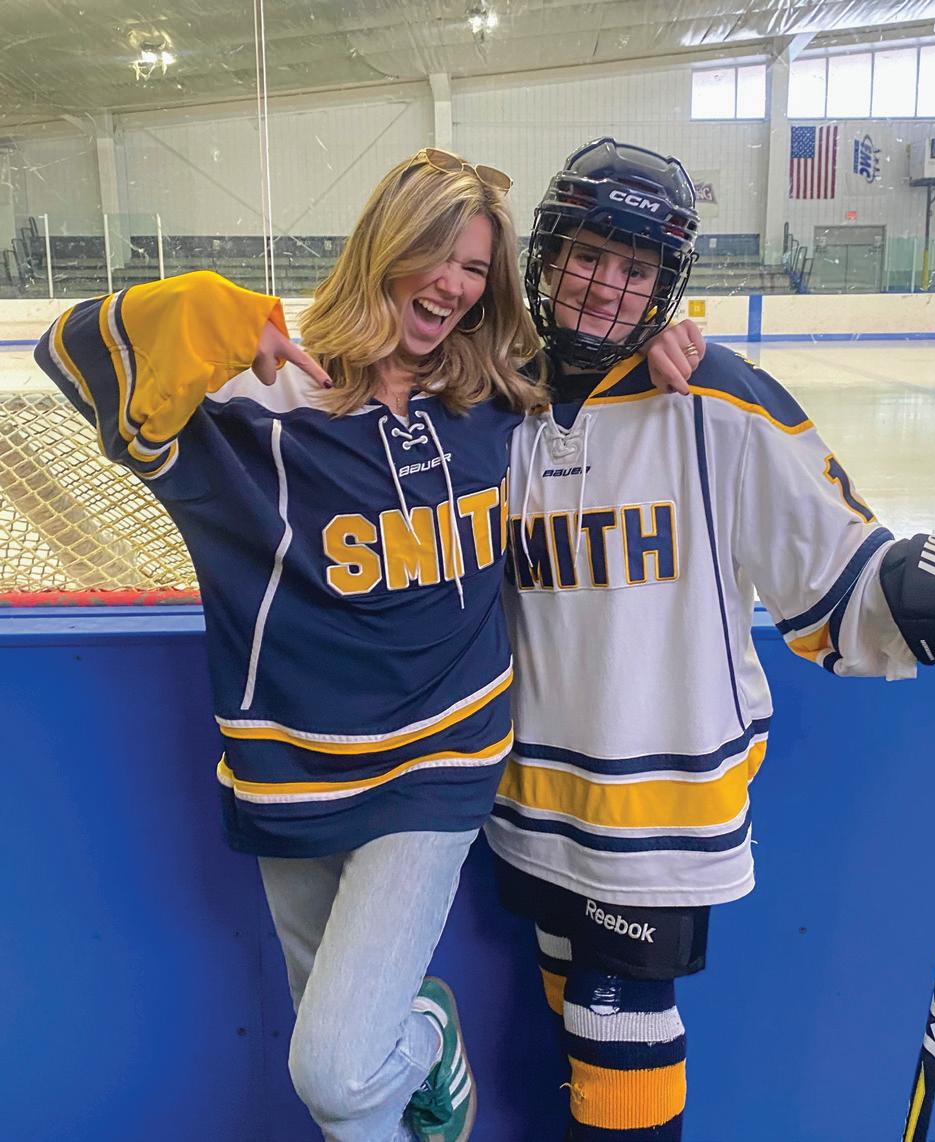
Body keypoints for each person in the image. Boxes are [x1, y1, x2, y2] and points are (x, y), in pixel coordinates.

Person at [33, 145, 698, 1142]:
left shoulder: (494, 395)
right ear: (383, 246)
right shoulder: (256, 403)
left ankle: (428, 1029)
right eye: (437, 253)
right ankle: (414, 1052)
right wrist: (212, 314)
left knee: (339, 1068)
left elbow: (604, 357)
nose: (453, 283)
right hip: (289, 773)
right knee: (347, 1095)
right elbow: (74, 354)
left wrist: (667, 344)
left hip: (443, 762)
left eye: (474, 268)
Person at [483, 138, 935, 1142]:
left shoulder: (716, 399)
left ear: (664, 284)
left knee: (614, 1026)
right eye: (590, 254)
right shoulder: (492, 405)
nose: (605, 285)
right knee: (568, 1015)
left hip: (659, 810)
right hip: (528, 804)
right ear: (548, 254)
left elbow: (837, 571)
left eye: (635, 268)